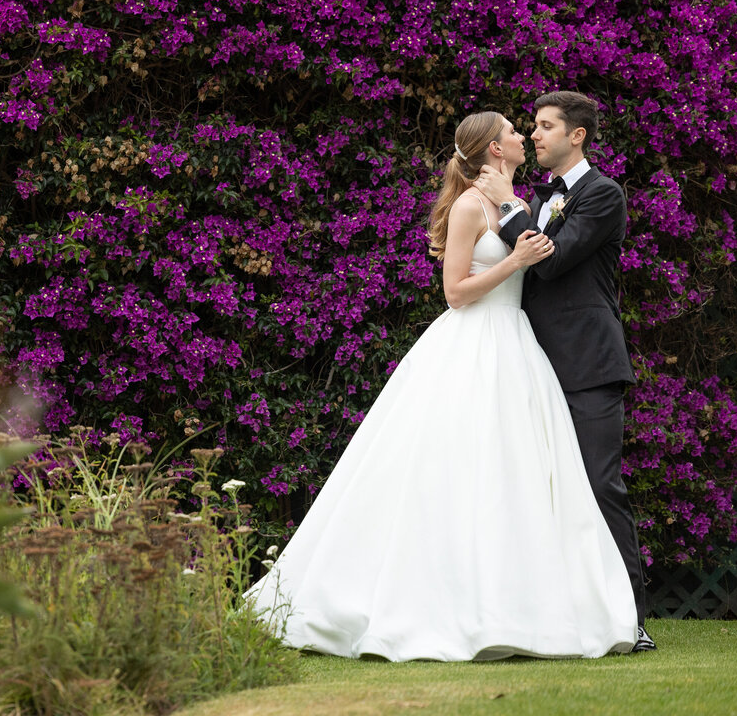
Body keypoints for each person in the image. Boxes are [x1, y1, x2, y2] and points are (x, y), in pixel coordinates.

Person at [243, 111, 637, 661]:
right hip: (473, 344)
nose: (525, 136)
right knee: (453, 471)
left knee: (518, 479)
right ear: (495, 150)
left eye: (536, 128)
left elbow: (548, 254)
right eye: (514, 132)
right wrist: (515, 260)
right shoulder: (469, 205)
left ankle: (524, 606)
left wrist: (517, 228)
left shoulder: (519, 200)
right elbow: (455, 292)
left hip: (519, 348)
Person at [472, 91, 653, 652]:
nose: (536, 135)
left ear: (577, 135)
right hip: (532, 363)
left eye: (547, 126)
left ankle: (630, 621)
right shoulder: (539, 197)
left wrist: (505, 205)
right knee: (539, 492)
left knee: (600, 486)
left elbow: (551, 262)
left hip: (588, 363)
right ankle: (559, 616)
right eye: (534, 126)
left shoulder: (604, 195)